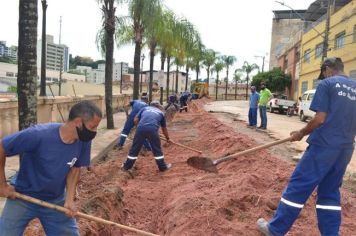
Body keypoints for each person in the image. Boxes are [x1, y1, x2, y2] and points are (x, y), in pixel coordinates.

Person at [257, 57, 356, 236]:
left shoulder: (328, 84)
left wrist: (301, 133)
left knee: (299, 186)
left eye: (324, 72)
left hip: (323, 146)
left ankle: (275, 229)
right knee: (330, 192)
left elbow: (319, 118)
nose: (324, 75)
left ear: (327, 69)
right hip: (345, 149)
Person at [0, 100, 102, 235]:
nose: (94, 132)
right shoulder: (38, 135)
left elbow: (75, 168)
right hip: (22, 196)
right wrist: (2, 185)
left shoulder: (83, 141)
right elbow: (2, 147)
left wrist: (69, 199)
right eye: (93, 127)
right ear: (78, 122)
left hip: (55, 199)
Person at [121, 101, 172, 172]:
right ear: (158, 106)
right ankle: (163, 167)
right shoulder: (161, 113)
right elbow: (164, 129)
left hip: (140, 129)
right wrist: (167, 138)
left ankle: (126, 167)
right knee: (157, 149)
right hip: (153, 130)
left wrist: (139, 127)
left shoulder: (145, 108)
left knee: (134, 149)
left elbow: (135, 119)